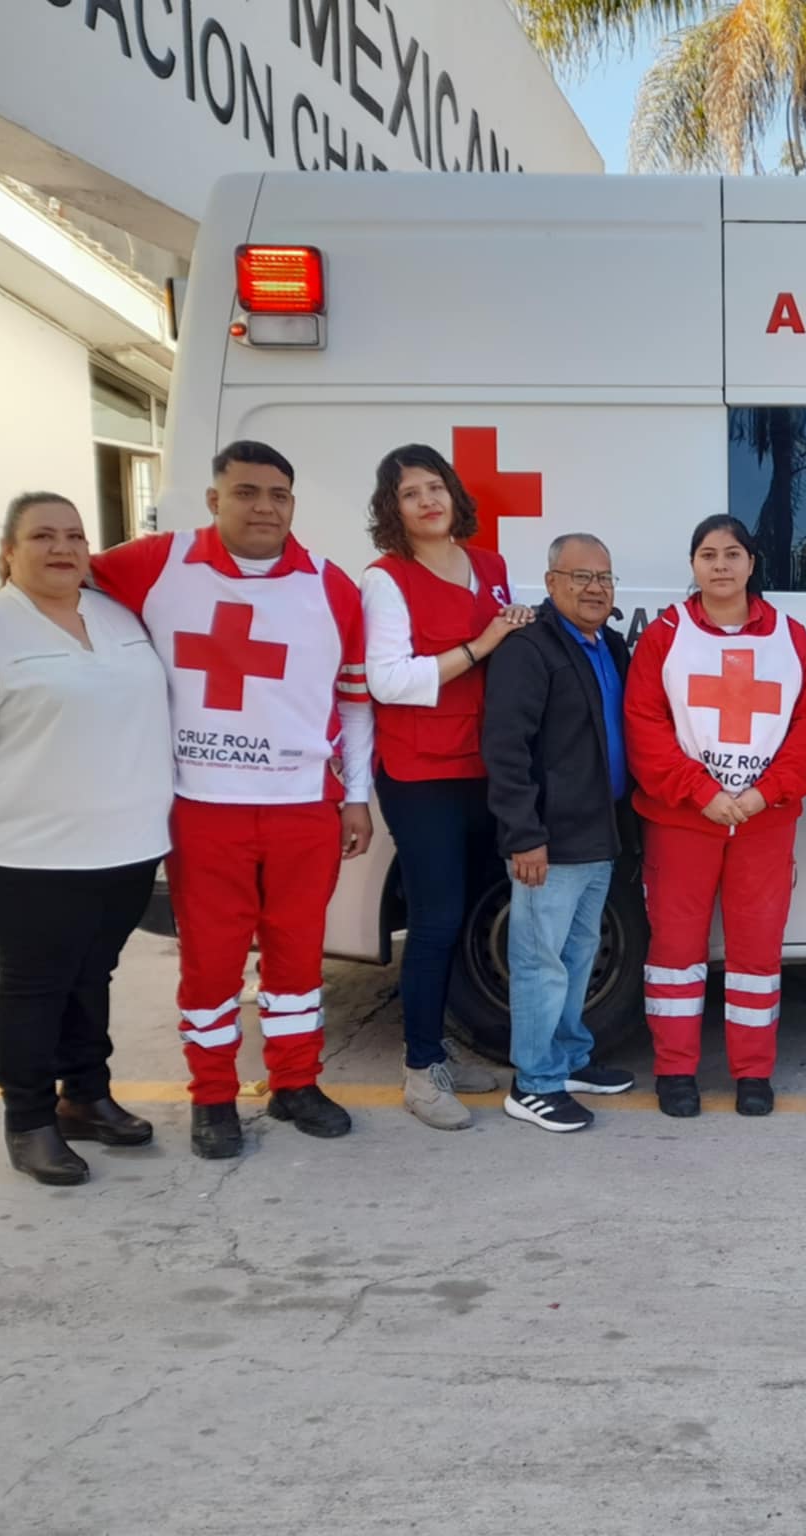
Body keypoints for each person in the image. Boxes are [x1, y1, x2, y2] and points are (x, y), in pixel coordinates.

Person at [91, 441, 374, 1161]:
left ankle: (295, 1084)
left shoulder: (329, 584)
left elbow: (355, 701)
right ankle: (212, 1097)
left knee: (297, 956)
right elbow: (62, 584)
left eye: (278, 494)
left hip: (303, 804)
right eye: (246, 492)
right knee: (211, 963)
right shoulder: (156, 564)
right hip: (202, 803)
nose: (264, 507)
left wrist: (357, 796)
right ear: (214, 499)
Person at [0, 493, 173, 1186]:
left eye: (75, 536)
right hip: (22, 852)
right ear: (9, 552)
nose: (62, 548)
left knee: (92, 975)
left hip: (124, 845)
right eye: (43, 536)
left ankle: (85, 1096)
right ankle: (29, 1121)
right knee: (34, 984)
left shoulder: (118, 619)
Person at [624, 514, 806, 1118]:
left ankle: (752, 1073)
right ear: (693, 565)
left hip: (764, 822)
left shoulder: (789, 635)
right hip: (683, 820)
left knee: (756, 953)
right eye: (708, 554)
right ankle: (675, 1072)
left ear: (751, 563)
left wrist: (765, 793)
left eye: (732, 553)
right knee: (675, 950)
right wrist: (700, 791)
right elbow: (644, 724)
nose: (720, 565)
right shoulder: (665, 635)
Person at [359, 443, 532, 1129]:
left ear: (455, 495)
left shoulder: (489, 566)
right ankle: (419, 1071)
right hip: (420, 772)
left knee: (469, 914)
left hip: (483, 767)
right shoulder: (385, 579)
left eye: (436, 487)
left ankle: (441, 1054)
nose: (428, 501)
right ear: (392, 509)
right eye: (411, 493)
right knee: (432, 922)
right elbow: (390, 680)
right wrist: (484, 644)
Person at [482, 532, 639, 1132]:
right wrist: (523, 834)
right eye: (581, 577)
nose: (595, 588)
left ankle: (568, 1057)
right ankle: (534, 1082)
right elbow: (506, 748)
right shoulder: (530, 648)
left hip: (598, 835)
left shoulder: (610, 646)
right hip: (549, 838)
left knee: (578, 956)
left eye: (604, 577)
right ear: (551, 584)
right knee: (540, 961)